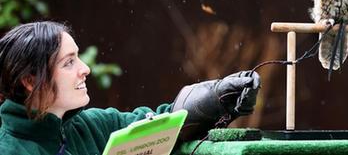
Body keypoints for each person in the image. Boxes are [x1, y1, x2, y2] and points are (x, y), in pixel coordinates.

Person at [0, 21, 261, 155]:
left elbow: (163, 123)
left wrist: (218, 100)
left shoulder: (94, 127)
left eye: (78, 56)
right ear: (31, 80)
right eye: (68, 62)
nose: (85, 68)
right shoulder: (8, 149)